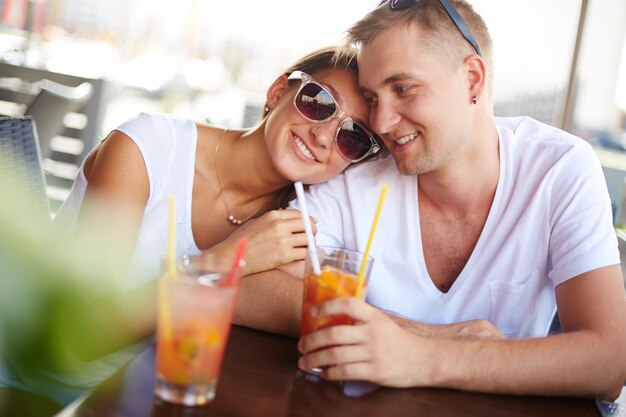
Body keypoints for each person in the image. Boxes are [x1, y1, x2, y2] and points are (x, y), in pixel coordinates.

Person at [241, 0, 626, 400]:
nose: (381, 123)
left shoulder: (560, 170)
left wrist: (422, 357)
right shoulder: (359, 179)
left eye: (403, 89)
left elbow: (609, 361)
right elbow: (249, 287)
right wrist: (423, 334)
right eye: (373, 98)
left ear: (473, 80)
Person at [1, 46, 383, 406]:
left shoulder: (295, 220)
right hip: (33, 390)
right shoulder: (146, 150)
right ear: (278, 91)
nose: (322, 135)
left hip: (138, 395)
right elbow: (80, 337)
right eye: (319, 102)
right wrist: (230, 258)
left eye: (352, 137)